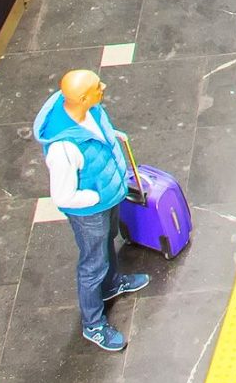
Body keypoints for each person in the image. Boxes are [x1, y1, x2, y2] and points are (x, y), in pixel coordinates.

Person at [32, 70, 152, 354]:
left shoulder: (92, 110)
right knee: (92, 264)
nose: (104, 87)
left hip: (108, 197)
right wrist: (97, 196)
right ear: (83, 97)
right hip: (90, 211)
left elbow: (102, 137)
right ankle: (93, 324)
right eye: (98, 86)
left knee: (109, 240)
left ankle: (112, 284)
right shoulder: (62, 149)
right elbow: (63, 195)